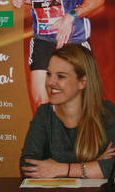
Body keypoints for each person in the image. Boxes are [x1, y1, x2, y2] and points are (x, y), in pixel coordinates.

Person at [20, 44, 115, 179]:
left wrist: (59, 169)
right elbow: (27, 165)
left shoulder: (108, 113)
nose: (50, 82)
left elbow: (109, 169)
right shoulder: (44, 113)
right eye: (49, 74)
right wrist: (91, 166)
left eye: (61, 76)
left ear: (83, 82)